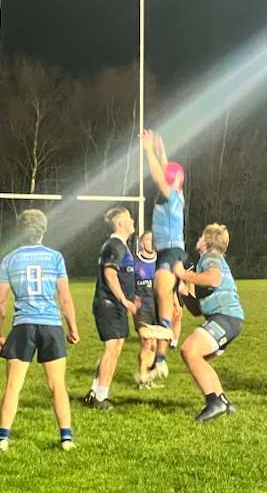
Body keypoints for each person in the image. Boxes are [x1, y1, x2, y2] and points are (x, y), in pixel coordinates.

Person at [0, 210, 79, 452]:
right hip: (51, 325)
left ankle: (2, 439)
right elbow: (65, 298)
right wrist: (72, 328)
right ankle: (66, 439)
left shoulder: (9, 260)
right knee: (57, 385)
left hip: (23, 326)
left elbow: (0, 303)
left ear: (20, 231)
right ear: (43, 230)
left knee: (13, 385)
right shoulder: (55, 258)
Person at [173, 224, 245, 422]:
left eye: (200, 236)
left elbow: (213, 279)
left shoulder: (210, 257)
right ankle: (223, 400)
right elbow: (197, 310)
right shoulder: (204, 263)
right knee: (198, 357)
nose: (197, 239)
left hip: (225, 316)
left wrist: (184, 275)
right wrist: (184, 294)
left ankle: (214, 402)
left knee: (189, 351)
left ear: (206, 241)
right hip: (228, 318)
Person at [139, 130, 188, 385]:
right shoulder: (173, 195)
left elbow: (160, 176)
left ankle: (165, 332)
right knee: (162, 298)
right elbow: (166, 171)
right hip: (168, 251)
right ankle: (160, 361)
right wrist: (161, 149)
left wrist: (148, 150)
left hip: (171, 251)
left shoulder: (170, 196)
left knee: (161, 293)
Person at [83, 207, 137, 409]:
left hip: (114, 305)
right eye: (129, 219)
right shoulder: (114, 246)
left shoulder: (120, 245)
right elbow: (110, 274)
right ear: (120, 223)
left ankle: (95, 391)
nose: (133, 222)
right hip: (109, 304)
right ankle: (100, 397)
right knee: (111, 349)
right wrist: (124, 299)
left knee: (114, 349)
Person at [133, 230, 160, 388]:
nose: (151, 242)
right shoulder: (135, 263)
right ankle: (142, 376)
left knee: (154, 345)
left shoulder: (161, 261)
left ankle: (149, 378)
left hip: (157, 307)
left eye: (153, 239)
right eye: (148, 240)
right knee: (146, 342)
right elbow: (129, 285)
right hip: (142, 308)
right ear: (142, 243)